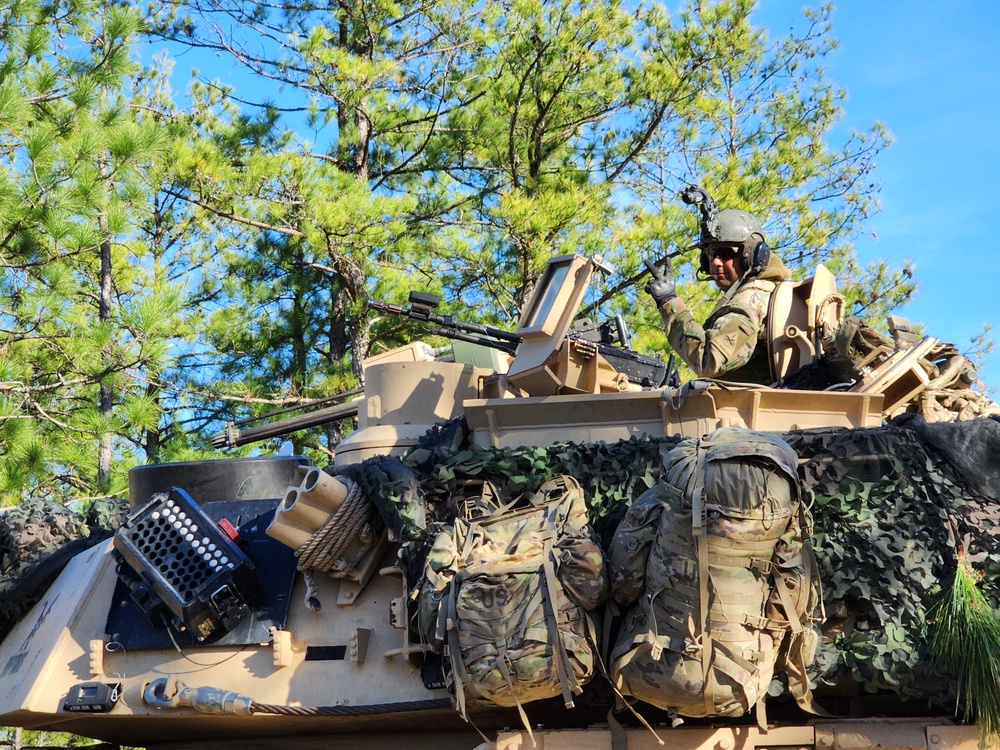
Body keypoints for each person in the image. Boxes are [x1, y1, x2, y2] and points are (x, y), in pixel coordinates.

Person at [645, 198, 792, 384]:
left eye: (726, 253)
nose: (715, 262)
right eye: (711, 254)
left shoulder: (750, 299)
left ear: (753, 256)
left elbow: (709, 361)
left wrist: (670, 302)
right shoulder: (766, 292)